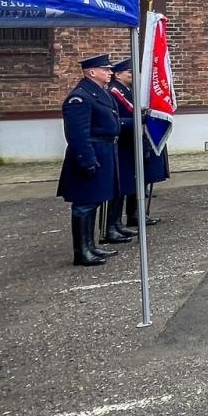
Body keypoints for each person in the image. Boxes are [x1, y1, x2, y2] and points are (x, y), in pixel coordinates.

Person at [57, 53, 122, 267]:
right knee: (84, 204)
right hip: (90, 152)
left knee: (94, 201)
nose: (110, 73)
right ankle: (81, 251)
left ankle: (90, 245)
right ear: (92, 72)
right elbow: (77, 134)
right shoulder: (81, 97)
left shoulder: (98, 93)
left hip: (103, 150)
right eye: (106, 69)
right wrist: (86, 160)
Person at [110, 59, 167, 232]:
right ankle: (115, 223)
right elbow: (126, 113)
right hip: (124, 142)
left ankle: (134, 215)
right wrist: (141, 118)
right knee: (123, 183)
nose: (133, 75)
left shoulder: (129, 90)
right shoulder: (115, 91)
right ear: (118, 74)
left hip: (134, 140)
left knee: (137, 179)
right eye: (129, 72)